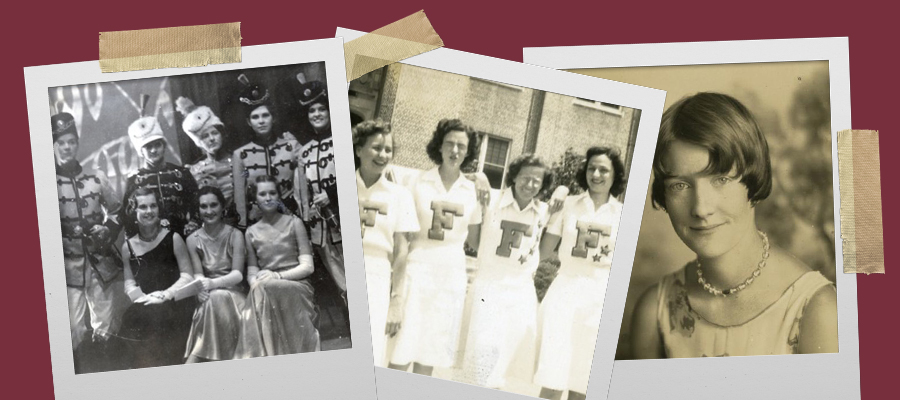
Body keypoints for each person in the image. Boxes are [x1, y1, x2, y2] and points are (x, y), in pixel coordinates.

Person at [630, 92, 838, 360]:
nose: (701, 209)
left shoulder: (815, 310)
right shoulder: (654, 313)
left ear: (752, 179)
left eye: (720, 180)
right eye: (679, 185)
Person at [388, 119, 482, 376]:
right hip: (416, 270)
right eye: (449, 144)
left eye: (461, 146)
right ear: (438, 147)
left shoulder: (473, 190)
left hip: (451, 274)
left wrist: (482, 185)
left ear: (468, 151)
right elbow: (401, 237)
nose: (455, 151)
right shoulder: (417, 182)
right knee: (400, 350)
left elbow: (476, 242)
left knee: (428, 352)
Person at [534, 146, 626, 400]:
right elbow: (544, 251)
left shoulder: (623, 214)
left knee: (582, 381)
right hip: (565, 292)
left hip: (600, 299)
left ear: (615, 174)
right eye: (591, 168)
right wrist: (558, 195)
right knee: (553, 376)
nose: (596, 174)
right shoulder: (569, 205)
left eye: (603, 169)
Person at [460, 154, 553, 389]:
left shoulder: (544, 212)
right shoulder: (490, 200)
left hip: (521, 292)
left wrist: (561, 189)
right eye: (525, 178)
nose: (530, 185)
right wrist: (479, 176)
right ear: (514, 176)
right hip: (489, 286)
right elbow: (462, 177)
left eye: (536, 181)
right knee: (481, 358)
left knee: (503, 364)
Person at [52, 111, 130, 371]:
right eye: (60, 142)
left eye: (71, 142)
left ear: (77, 143)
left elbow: (118, 210)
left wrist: (107, 230)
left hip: (99, 263)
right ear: (53, 145)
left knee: (106, 326)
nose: (66, 148)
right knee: (72, 329)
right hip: (65, 268)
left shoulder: (96, 177)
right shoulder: (45, 182)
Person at [352, 120, 420, 366]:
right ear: (359, 149)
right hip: (342, 271)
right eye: (376, 147)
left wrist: (396, 300)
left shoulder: (400, 195)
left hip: (377, 277)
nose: (383, 155)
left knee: (369, 355)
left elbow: (402, 252)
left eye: (388, 149)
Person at [235, 175, 319, 357]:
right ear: (255, 199)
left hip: (297, 284)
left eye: (272, 193)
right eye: (262, 194)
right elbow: (252, 271)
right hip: (266, 286)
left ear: (279, 195)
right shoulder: (251, 232)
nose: (268, 198)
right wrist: (255, 283)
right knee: (260, 289)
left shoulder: (294, 223)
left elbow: (308, 267)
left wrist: (278, 277)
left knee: (265, 288)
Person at [118, 188, 197, 368]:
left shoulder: (174, 238)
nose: (149, 211)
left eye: (153, 206)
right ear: (134, 212)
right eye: (143, 207)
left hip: (175, 303)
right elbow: (129, 282)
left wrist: (164, 295)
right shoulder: (127, 246)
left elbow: (187, 275)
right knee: (130, 320)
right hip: (146, 303)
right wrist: (141, 298)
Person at [292, 80, 345, 303]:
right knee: (342, 283)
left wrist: (332, 195)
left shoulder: (342, 140)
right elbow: (300, 194)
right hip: (321, 230)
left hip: (344, 221)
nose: (317, 114)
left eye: (322, 109)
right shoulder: (304, 152)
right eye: (312, 110)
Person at [119, 96, 200, 238]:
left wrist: (193, 224)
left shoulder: (181, 173)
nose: (153, 150)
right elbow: (129, 218)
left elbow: (197, 204)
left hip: (182, 238)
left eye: (157, 144)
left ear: (164, 146)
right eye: (148, 147)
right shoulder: (133, 180)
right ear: (141, 151)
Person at [184, 187, 247, 363]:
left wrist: (211, 285)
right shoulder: (192, 240)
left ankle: (195, 357)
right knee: (211, 300)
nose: (209, 211)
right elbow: (198, 274)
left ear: (222, 207)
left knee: (215, 298)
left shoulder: (235, 235)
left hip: (235, 295)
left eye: (213, 205)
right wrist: (199, 288)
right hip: (209, 296)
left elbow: (237, 275)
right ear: (198, 210)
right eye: (204, 206)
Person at [232, 74, 300, 230]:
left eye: (265, 115)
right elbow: (240, 195)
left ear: (273, 118)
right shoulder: (240, 155)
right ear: (249, 122)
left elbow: (302, 185)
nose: (261, 121)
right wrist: (243, 224)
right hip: (258, 222)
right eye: (255, 117)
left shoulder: (291, 146)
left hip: (289, 218)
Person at [177, 96, 238, 226]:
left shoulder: (239, 161)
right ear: (199, 142)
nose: (211, 139)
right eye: (205, 136)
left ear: (222, 134)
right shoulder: (193, 170)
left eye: (214, 133)